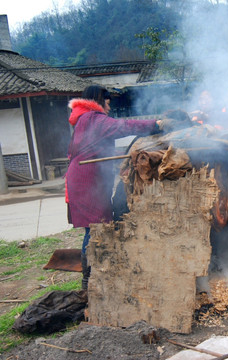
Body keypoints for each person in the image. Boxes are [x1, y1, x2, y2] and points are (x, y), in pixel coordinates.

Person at [65, 85, 168, 290]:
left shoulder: (85, 119)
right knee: (96, 227)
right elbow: (124, 126)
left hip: (86, 179)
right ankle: (90, 280)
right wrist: (156, 124)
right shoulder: (93, 119)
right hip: (87, 182)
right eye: (108, 103)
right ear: (99, 100)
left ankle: (94, 276)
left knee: (95, 226)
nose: (109, 108)